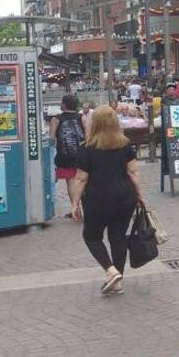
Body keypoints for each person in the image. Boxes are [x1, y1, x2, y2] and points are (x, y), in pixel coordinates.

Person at [69, 105, 144, 295]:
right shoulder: (124, 144)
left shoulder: (87, 148)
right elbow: (133, 172)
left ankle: (110, 270)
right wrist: (140, 195)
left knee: (92, 237)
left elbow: (81, 178)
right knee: (118, 237)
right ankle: (117, 280)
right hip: (125, 196)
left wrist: (75, 203)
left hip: (97, 198)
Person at [50, 93, 85, 219]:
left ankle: (76, 209)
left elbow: (52, 138)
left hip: (64, 155)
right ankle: (85, 206)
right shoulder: (82, 118)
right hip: (81, 154)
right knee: (82, 179)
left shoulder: (56, 119)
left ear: (63, 104)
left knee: (70, 181)